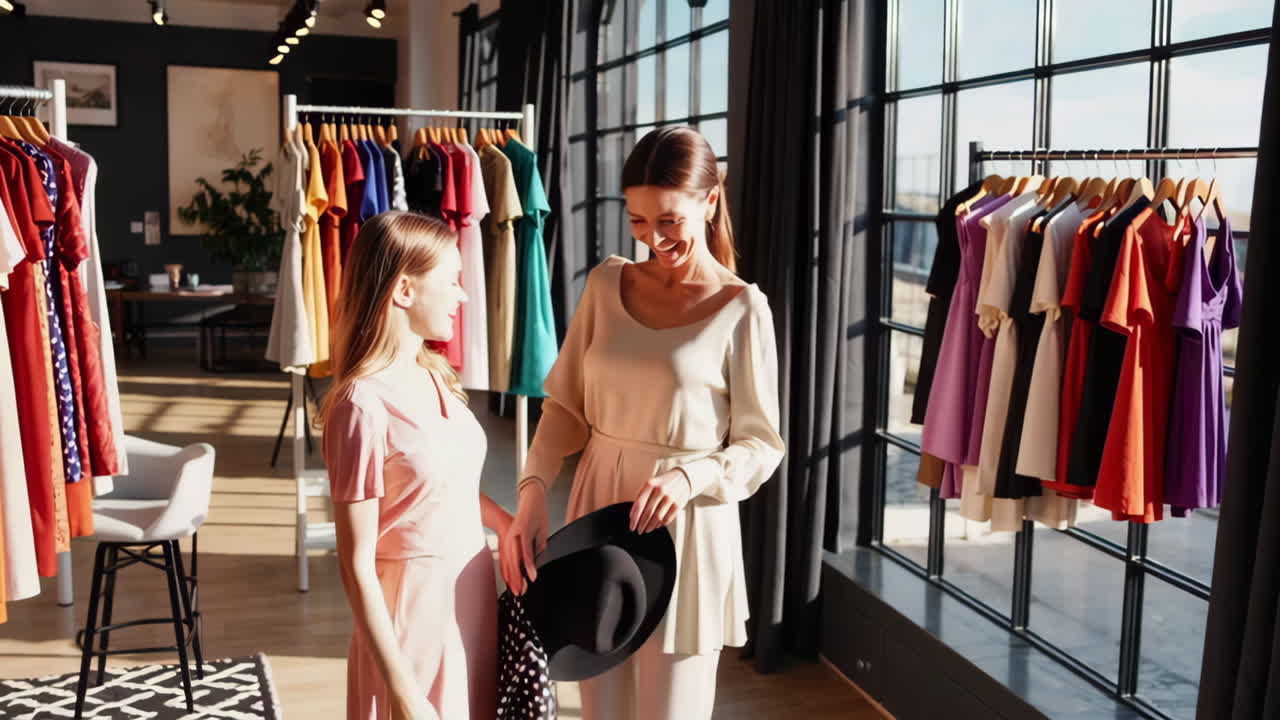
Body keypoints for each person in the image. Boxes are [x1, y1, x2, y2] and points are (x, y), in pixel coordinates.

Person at [500, 126, 785, 720]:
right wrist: (531, 491)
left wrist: (692, 476)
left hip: (686, 528)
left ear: (710, 200)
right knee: (599, 707)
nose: (653, 238)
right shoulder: (606, 284)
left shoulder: (742, 308)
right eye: (637, 220)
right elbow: (565, 407)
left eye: (669, 220)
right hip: (595, 510)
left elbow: (761, 444)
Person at [321, 211, 513, 720]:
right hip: (414, 615)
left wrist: (505, 522)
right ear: (404, 290)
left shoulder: (436, 375)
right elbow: (354, 564)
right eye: (451, 280)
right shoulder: (361, 405)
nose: (463, 295)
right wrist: (403, 692)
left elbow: (440, 487)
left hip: (471, 592)